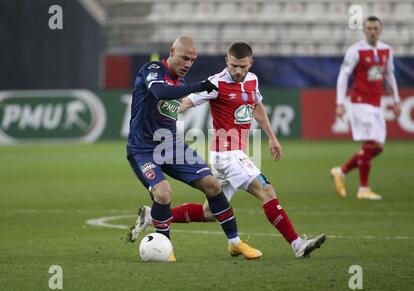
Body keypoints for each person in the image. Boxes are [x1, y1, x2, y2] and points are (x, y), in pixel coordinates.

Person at [128, 42, 325, 258]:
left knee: (210, 211)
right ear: (226, 61)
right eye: (234, 66)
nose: (239, 71)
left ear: (251, 63)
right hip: (227, 153)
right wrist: (170, 109)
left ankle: (152, 216)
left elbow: (256, 106)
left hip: (235, 151)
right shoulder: (216, 83)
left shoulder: (253, 80)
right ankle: (297, 244)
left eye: (243, 66)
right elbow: (183, 102)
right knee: (266, 191)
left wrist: (272, 137)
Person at [126, 36, 262, 262]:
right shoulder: (153, 70)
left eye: (192, 60)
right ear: (171, 52)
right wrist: (199, 87)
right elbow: (160, 93)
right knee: (162, 192)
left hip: (172, 146)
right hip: (142, 149)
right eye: (184, 58)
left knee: (213, 184)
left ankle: (235, 243)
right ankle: (165, 247)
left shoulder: (179, 82)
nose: (188, 64)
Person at [331, 16, 401, 200]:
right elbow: (343, 76)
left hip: (377, 104)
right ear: (363, 30)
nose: (372, 31)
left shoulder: (386, 50)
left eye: (375, 28)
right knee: (369, 144)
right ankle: (363, 189)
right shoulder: (356, 51)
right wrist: (340, 103)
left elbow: (389, 75)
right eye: (369, 28)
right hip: (360, 102)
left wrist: (396, 100)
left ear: (381, 29)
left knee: (378, 147)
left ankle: (341, 171)